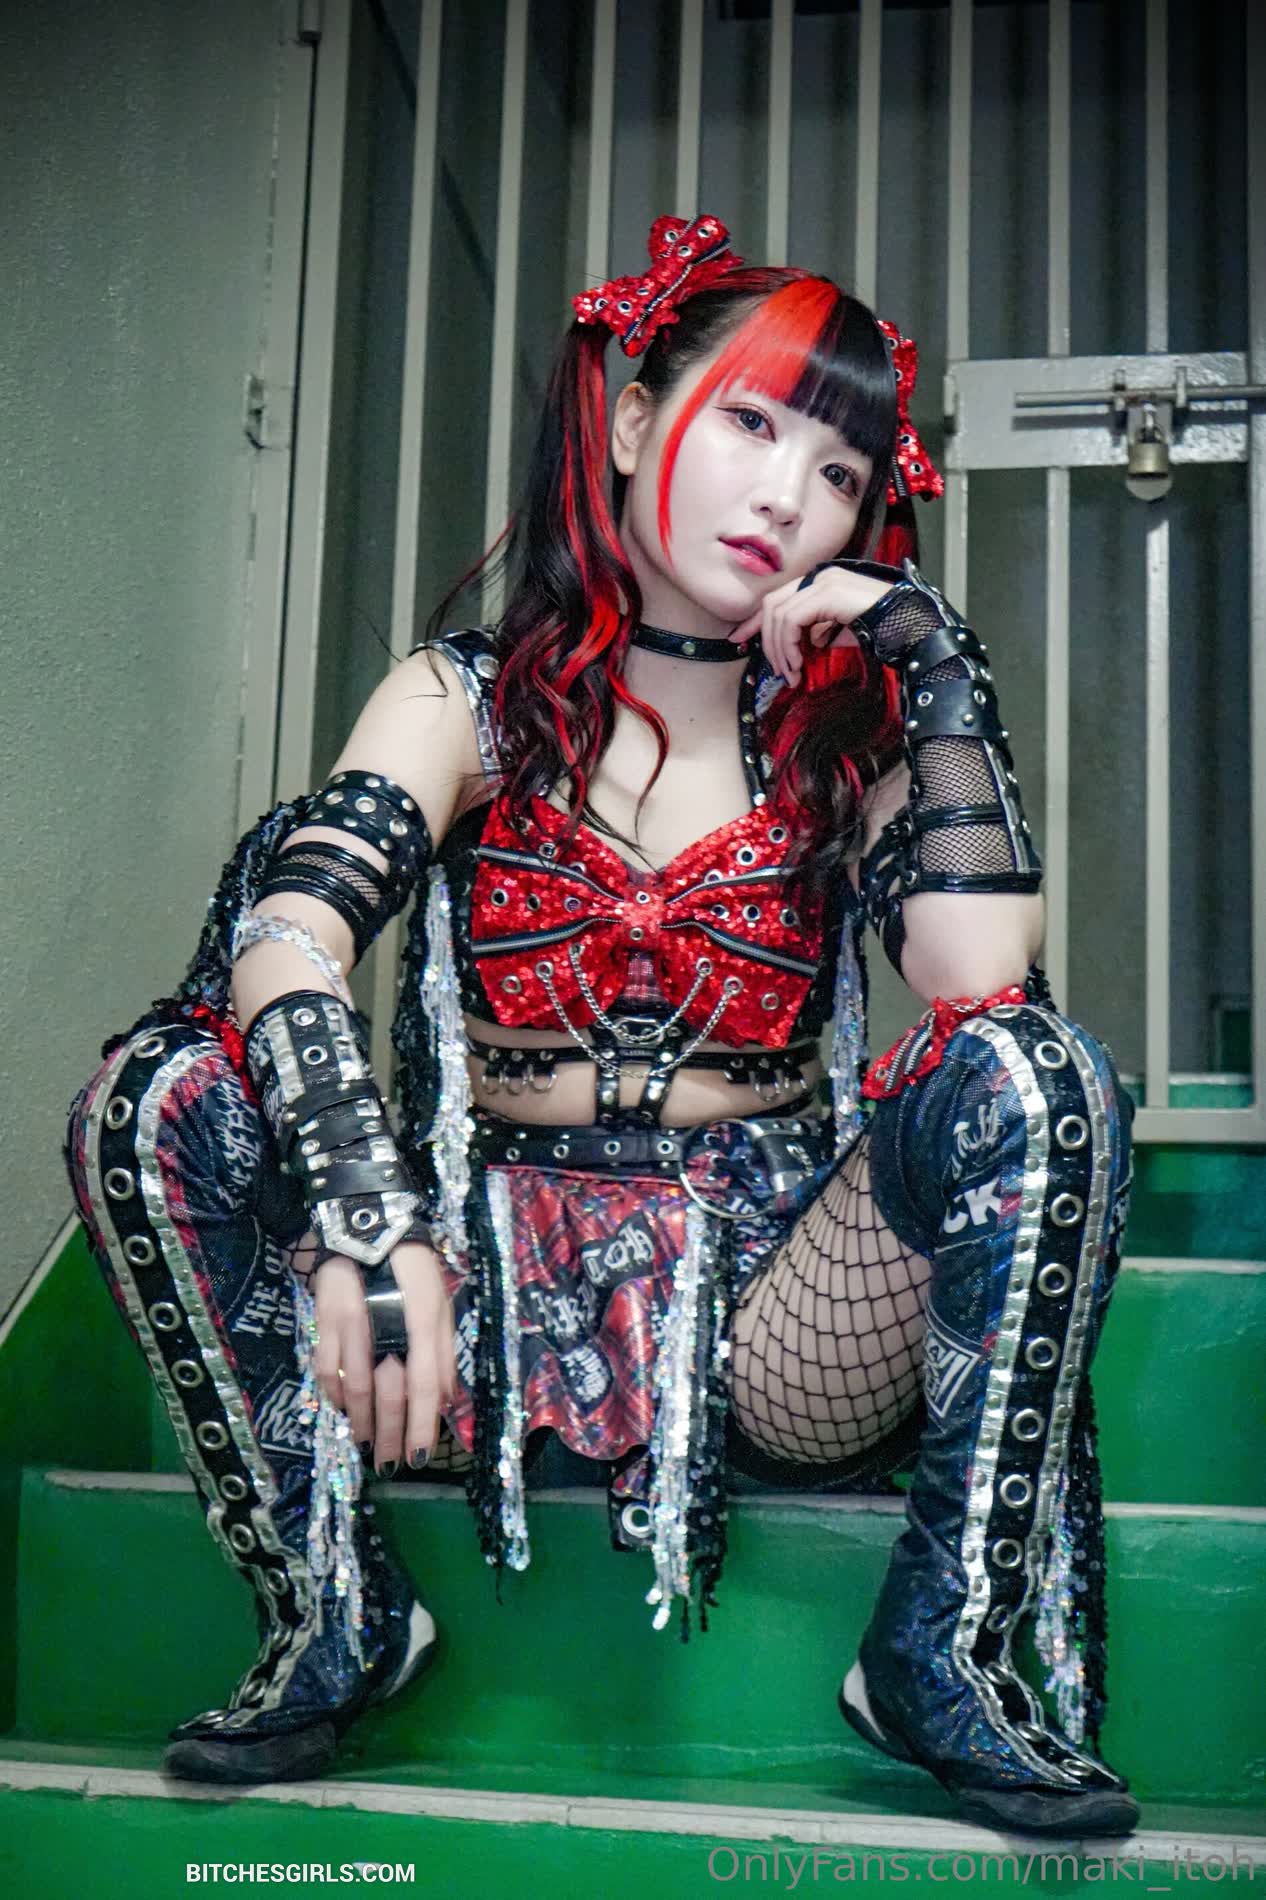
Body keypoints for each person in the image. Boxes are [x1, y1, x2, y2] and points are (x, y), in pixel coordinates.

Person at [64, 214, 1138, 1836]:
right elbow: (290, 934)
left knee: (1035, 1072)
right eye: (749, 424)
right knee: (151, 1093)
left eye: (840, 472)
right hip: (461, 1309)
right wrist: (364, 1207)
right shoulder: (467, 701)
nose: (786, 495)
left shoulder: (845, 740)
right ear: (634, 421)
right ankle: (328, 1606)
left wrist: (927, 660)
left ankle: (939, 1651)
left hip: (777, 1319)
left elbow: (980, 979)